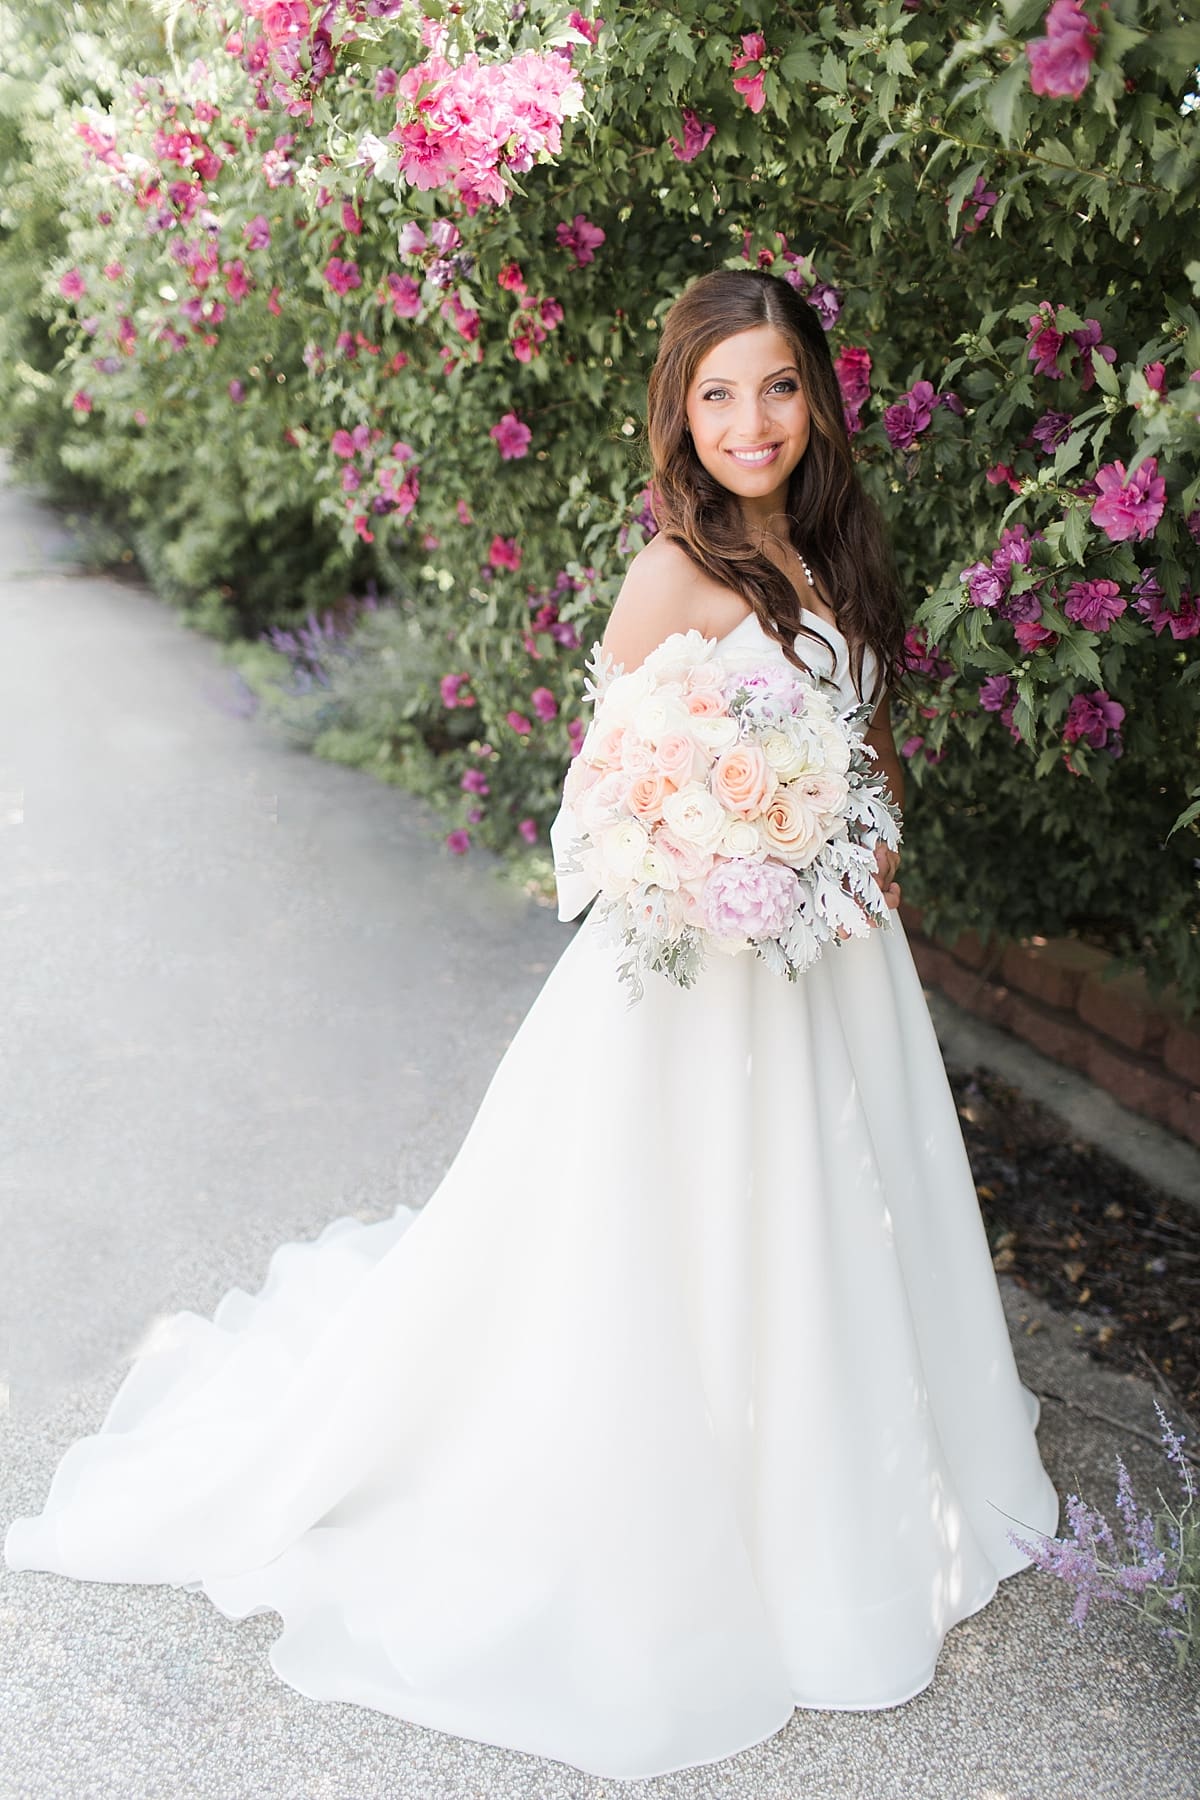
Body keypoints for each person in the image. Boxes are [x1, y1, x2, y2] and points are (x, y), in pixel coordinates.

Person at [3, 268, 1060, 1783]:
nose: (749, 422)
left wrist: (850, 839)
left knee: (836, 1220)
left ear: (816, 398)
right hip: (695, 982)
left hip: (836, 961)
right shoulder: (670, 576)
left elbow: (856, 747)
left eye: (775, 388)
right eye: (716, 396)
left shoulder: (830, 546)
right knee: (677, 1241)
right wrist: (715, 850)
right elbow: (602, 803)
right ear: (679, 418)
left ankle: (848, 1484)